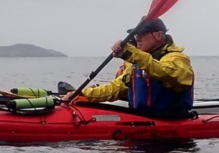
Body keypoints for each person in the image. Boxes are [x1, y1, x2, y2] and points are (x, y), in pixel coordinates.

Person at [66, 18, 194, 118]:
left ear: (159, 35)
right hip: (142, 118)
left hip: (171, 122)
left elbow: (162, 71)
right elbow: (115, 88)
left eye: (141, 35)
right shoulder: (138, 64)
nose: (137, 39)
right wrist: (82, 94)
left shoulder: (178, 59)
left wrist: (130, 53)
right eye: (136, 36)